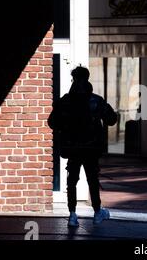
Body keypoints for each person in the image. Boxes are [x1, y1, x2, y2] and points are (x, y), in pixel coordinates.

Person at [48, 66, 118, 227]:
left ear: (73, 79)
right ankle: (97, 212)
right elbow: (111, 119)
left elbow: (52, 122)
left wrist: (66, 127)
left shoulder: (65, 101)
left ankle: (72, 215)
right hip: (91, 148)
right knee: (92, 180)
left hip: (72, 148)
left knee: (71, 181)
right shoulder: (96, 100)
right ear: (87, 79)